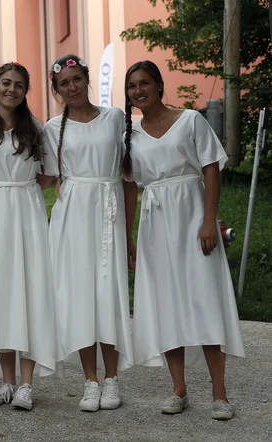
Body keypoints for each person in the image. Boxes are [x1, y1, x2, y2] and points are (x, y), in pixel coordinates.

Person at [123, 60, 245, 420]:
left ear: (160, 85)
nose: (138, 90)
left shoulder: (190, 120)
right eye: (132, 86)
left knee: (203, 298)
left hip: (192, 216)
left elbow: (210, 168)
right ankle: (178, 390)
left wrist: (210, 221)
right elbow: (130, 187)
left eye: (145, 83)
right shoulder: (130, 134)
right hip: (155, 224)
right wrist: (130, 237)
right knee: (166, 305)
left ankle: (219, 395)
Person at [0, 62, 61, 411]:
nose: (12, 90)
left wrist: (28, 189)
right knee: (1, 293)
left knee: (30, 290)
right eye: (6, 83)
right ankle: (6, 382)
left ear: (25, 91)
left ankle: (26, 384)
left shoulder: (34, 126)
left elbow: (51, 173)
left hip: (27, 211)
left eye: (20, 85)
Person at [42, 54, 134, 412]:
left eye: (77, 79)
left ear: (87, 79)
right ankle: (90, 380)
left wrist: (128, 232)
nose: (72, 87)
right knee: (80, 295)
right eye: (64, 83)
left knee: (107, 293)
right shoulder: (52, 128)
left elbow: (129, 178)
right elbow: (47, 176)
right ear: (57, 90)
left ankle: (112, 379)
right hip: (73, 215)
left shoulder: (114, 118)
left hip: (108, 211)